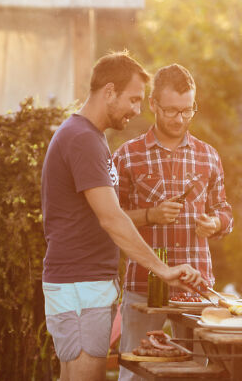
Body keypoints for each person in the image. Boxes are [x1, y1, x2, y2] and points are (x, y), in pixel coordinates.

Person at [41, 52, 206, 381]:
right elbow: (111, 218)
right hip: (81, 285)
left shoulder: (87, 136)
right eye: (132, 99)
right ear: (109, 91)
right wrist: (162, 269)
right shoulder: (83, 139)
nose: (136, 109)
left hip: (80, 283)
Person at [112, 63, 233, 381]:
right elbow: (110, 219)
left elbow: (225, 210)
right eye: (171, 111)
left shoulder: (208, 156)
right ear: (153, 105)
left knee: (195, 374)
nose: (179, 119)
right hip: (144, 285)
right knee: (135, 373)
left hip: (196, 289)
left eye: (187, 110)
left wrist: (215, 224)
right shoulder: (127, 156)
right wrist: (150, 215)